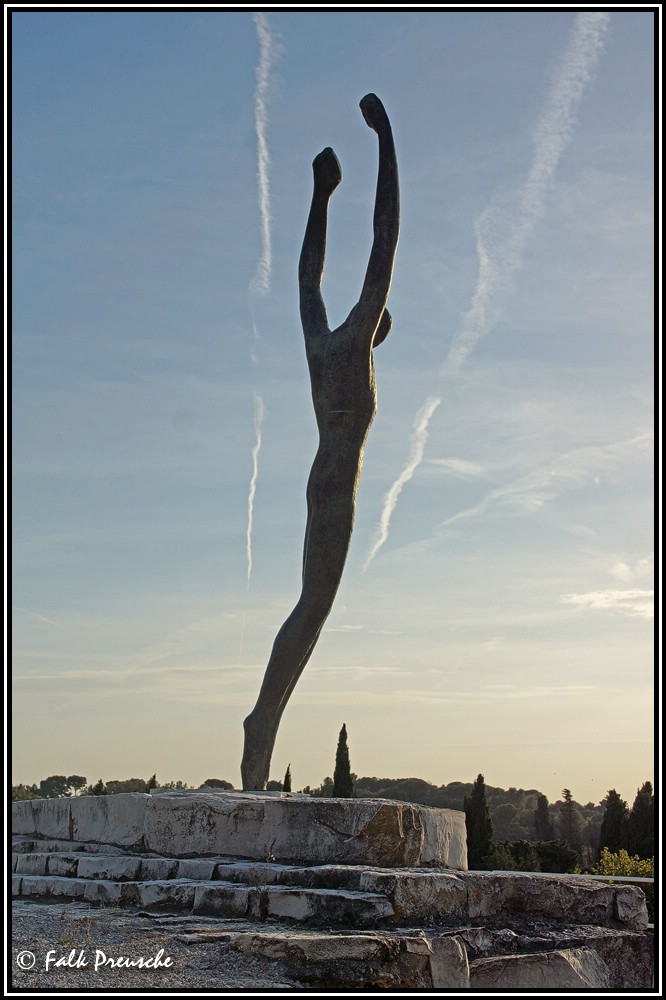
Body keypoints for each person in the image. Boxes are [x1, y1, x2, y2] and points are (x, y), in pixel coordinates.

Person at [241, 93, 399, 790]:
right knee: (313, 607)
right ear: (374, 326)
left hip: (319, 474)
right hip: (336, 480)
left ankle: (262, 725)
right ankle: (261, 723)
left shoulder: (320, 346)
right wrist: (384, 137)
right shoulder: (356, 335)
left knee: (310, 604)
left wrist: (320, 192)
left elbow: (307, 278)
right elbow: (386, 238)